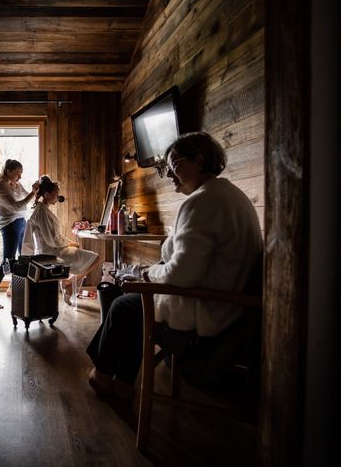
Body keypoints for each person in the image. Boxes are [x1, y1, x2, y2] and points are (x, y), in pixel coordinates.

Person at [86, 132, 263, 399]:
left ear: (199, 159)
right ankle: (121, 381)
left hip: (204, 312)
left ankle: (102, 375)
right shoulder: (230, 195)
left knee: (124, 305)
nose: (169, 174)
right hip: (226, 305)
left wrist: (147, 272)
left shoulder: (202, 202)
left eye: (174, 164)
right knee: (135, 300)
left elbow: (181, 275)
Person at [22, 175, 102, 305]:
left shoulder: (43, 210)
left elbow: (53, 237)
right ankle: (69, 283)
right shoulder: (41, 212)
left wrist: (69, 243)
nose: (58, 197)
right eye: (56, 194)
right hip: (52, 254)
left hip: (52, 250)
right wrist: (70, 242)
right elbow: (52, 240)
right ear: (47, 194)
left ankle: (68, 283)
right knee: (96, 258)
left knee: (78, 250)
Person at [0, 159, 40, 309]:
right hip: (10, 225)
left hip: (21, 222)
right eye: (18, 174)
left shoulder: (16, 184)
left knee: (24, 258)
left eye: (21, 174)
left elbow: (28, 197)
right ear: (8, 171)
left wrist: (37, 192)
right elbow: (16, 206)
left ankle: (12, 288)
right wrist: (33, 194)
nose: (20, 177)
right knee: (7, 262)